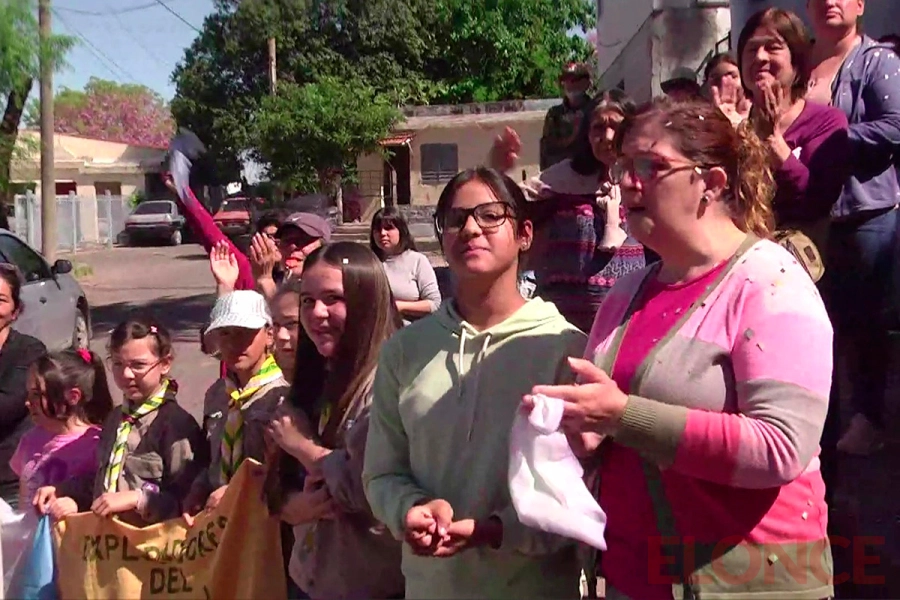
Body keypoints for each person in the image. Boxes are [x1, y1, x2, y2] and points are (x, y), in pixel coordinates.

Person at [530, 97, 833, 600]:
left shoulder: (769, 280)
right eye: (625, 166)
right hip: (635, 577)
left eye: (650, 166)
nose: (627, 181)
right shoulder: (626, 293)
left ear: (710, 184)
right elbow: (615, 427)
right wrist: (584, 433)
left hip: (750, 584)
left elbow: (781, 448)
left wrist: (624, 416)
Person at [363, 168, 587, 599]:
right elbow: (381, 473)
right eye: (455, 218)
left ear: (524, 234)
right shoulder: (404, 351)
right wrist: (408, 509)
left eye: (489, 215)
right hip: (431, 588)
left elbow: (577, 494)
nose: (469, 228)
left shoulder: (565, 349)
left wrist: (493, 531)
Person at [266, 242, 404, 600]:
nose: (317, 314)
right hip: (309, 577)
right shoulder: (313, 379)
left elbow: (371, 490)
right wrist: (289, 506)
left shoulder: (391, 384)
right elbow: (275, 481)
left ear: (366, 301)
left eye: (333, 298)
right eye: (308, 301)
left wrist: (304, 446)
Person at [806, 0, 900, 458]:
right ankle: (819, 420)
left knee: (864, 324)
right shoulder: (801, 62)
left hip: (866, 212)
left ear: (860, 5)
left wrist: (827, 138)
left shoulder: (877, 59)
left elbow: (894, 127)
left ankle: (868, 418)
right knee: (816, 325)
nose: (829, 2)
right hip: (810, 214)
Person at [491, 89, 646, 332]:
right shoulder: (561, 178)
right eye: (597, 128)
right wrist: (498, 169)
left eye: (615, 126)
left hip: (628, 316)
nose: (606, 136)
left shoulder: (643, 177)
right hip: (564, 320)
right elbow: (504, 204)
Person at [36, 314, 209, 526]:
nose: (126, 374)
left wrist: (140, 500)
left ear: (165, 363)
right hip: (110, 548)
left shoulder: (176, 426)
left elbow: (189, 502)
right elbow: (107, 479)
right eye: (117, 364)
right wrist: (65, 492)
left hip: (151, 549)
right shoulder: (115, 420)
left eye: (138, 365)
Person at [737, 7, 850, 246]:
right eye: (751, 49)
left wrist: (774, 143)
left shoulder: (827, 122)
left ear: (797, 64)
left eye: (772, 47)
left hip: (804, 263)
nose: (760, 57)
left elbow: (817, 202)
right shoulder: (733, 132)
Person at [186, 290, 289, 516]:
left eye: (245, 333)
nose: (234, 343)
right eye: (225, 334)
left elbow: (285, 475)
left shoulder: (282, 396)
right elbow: (210, 458)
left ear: (269, 335)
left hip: (264, 520)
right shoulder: (216, 395)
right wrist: (198, 489)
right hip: (219, 517)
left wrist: (237, 491)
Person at [13, 349, 110, 511]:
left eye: (37, 395)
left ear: (73, 396)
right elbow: (24, 500)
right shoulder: (30, 439)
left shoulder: (97, 444)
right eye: (29, 394)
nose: (28, 403)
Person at [0, 263, 47, 509]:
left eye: (0, 300)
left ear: (16, 311)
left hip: (11, 482)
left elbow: (7, 406)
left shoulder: (29, 352)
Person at [370, 207, 441, 323]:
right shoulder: (369, 262)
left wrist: (398, 306)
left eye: (389, 228)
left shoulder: (418, 261)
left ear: (401, 230)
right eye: (377, 229)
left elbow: (434, 304)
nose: (382, 233)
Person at [252, 212, 333, 301]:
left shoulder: (330, 285)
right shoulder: (279, 280)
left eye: (303, 240)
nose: (292, 247)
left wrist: (265, 280)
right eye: (287, 241)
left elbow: (288, 313)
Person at [540, 62, 594, 170]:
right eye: (565, 81)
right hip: (561, 173)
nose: (569, 84)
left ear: (586, 83)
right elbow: (547, 149)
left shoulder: (596, 110)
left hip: (591, 172)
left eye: (574, 80)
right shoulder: (555, 114)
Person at [704, 53, 752, 127]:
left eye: (732, 76)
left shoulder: (760, 114)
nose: (724, 83)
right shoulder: (699, 119)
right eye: (716, 79)